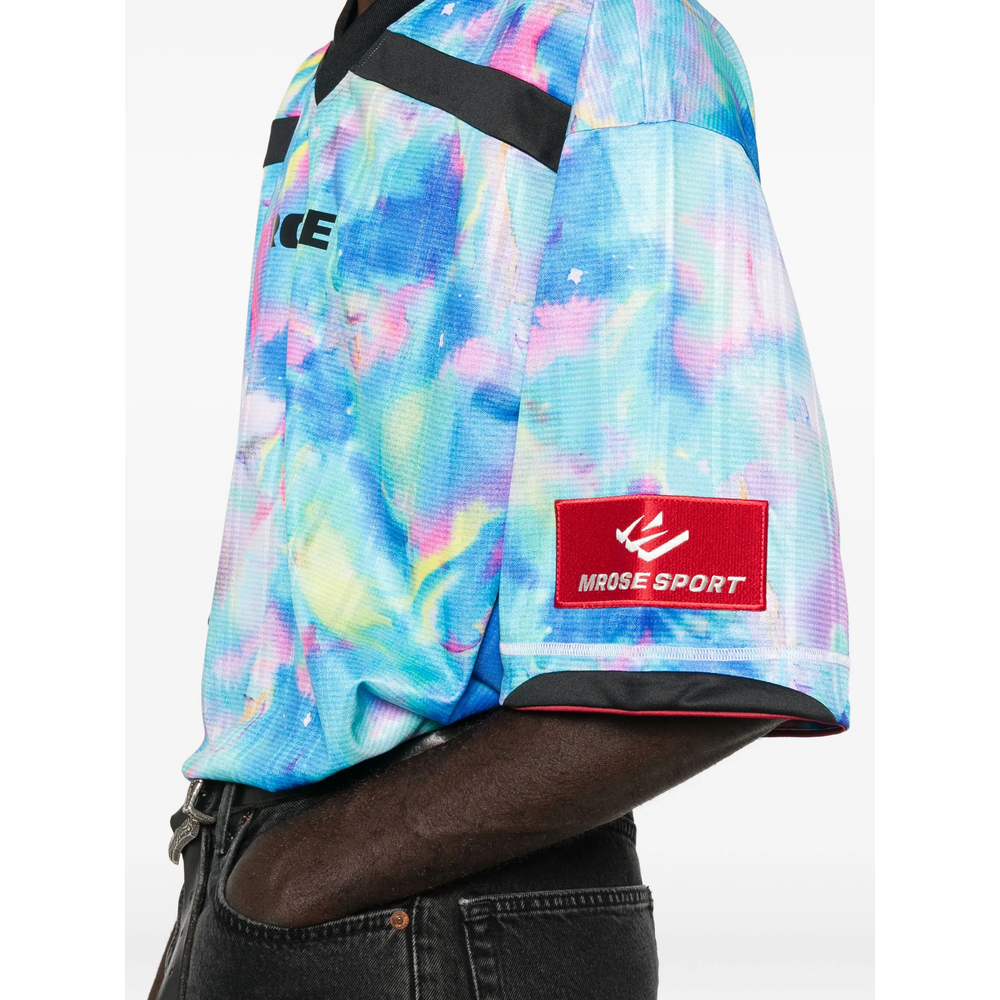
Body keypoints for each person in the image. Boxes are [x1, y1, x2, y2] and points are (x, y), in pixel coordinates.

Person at [150, 0, 850, 996]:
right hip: (249, 880)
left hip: (422, 920)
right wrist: (253, 886)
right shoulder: (325, 76)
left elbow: (700, 624)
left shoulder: (612, 37)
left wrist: (295, 882)